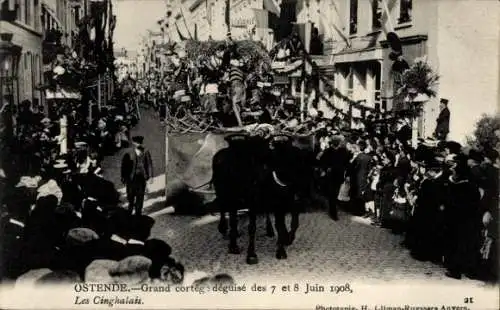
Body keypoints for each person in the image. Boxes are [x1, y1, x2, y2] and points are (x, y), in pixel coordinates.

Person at [121, 136, 153, 217]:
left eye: (140, 143)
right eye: (137, 143)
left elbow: (149, 164)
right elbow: (124, 166)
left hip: (141, 178)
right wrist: (123, 177)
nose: (139, 145)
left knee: (140, 195)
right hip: (131, 178)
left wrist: (150, 176)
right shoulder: (128, 153)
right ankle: (130, 208)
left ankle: (138, 213)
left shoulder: (146, 151)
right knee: (130, 195)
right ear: (133, 143)